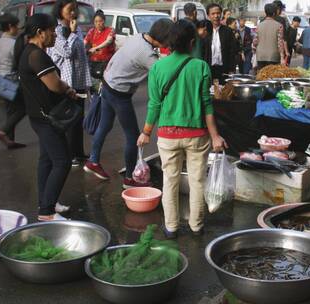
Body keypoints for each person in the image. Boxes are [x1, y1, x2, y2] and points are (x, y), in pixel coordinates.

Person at [137, 20, 227, 239]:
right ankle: (196, 227)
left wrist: (146, 131)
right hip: (197, 136)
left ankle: (171, 228)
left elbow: (154, 104)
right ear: (192, 42)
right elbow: (207, 105)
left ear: (168, 43)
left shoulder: (158, 67)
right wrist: (215, 135)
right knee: (197, 182)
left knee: (170, 181)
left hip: (168, 136)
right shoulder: (201, 67)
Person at [83, 19, 173, 188]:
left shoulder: (139, 37)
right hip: (119, 93)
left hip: (108, 83)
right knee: (133, 137)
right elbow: (163, 73)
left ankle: (93, 160)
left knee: (105, 125)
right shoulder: (147, 54)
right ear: (164, 37)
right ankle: (130, 179)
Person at [15, 13, 78, 221]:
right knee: (62, 160)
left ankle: (47, 201)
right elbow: (54, 84)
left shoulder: (30, 52)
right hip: (47, 118)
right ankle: (47, 212)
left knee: (47, 160)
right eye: (52, 31)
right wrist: (67, 89)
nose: (55, 35)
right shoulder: (36, 55)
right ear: (40, 33)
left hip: (38, 115)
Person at [48, 0, 91, 167]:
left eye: (75, 9)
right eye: (70, 9)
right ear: (60, 11)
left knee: (78, 118)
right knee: (69, 120)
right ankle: (69, 155)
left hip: (79, 80)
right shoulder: (56, 30)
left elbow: (81, 52)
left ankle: (78, 153)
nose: (74, 13)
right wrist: (72, 33)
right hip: (66, 81)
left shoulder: (77, 28)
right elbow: (66, 52)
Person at [0, 13, 27, 150]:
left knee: (10, 111)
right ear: (10, 26)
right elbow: (20, 62)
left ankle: (10, 141)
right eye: (16, 26)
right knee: (23, 108)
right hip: (10, 79)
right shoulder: (14, 43)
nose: (18, 29)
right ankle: (3, 131)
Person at [205, 3, 238, 83]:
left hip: (224, 69)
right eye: (213, 14)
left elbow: (232, 51)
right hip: (208, 69)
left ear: (221, 14)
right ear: (208, 16)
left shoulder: (228, 31)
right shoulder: (205, 32)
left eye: (218, 13)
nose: (216, 16)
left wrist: (231, 69)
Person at [83, 10, 115, 82]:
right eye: (96, 21)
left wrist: (96, 48)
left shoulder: (110, 30)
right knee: (94, 82)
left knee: (106, 81)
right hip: (94, 62)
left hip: (107, 62)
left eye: (100, 21)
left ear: (104, 21)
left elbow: (108, 41)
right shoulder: (92, 31)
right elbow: (84, 42)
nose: (98, 23)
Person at [255, 3, 285, 70]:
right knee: (271, 77)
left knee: (261, 76)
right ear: (274, 13)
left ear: (265, 12)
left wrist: (254, 50)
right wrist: (282, 57)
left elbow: (255, 41)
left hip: (260, 56)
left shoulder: (259, 25)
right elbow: (280, 43)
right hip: (273, 56)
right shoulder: (279, 25)